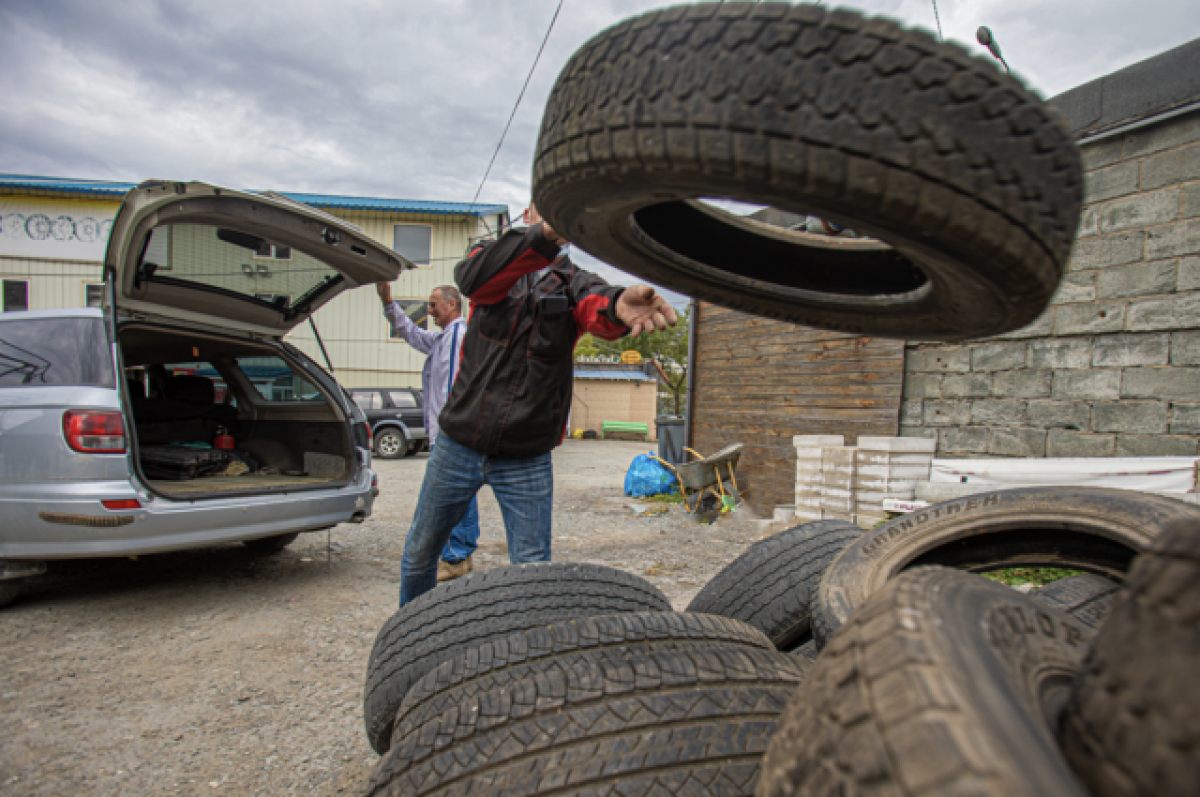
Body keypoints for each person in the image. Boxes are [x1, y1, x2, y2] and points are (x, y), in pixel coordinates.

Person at [397, 205, 677, 605]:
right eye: (544, 211)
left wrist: (618, 306)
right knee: (418, 554)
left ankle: (530, 655)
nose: (553, 219)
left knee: (533, 574)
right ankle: (408, 644)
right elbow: (473, 281)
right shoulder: (492, 263)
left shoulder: (574, 283)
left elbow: (598, 306)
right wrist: (541, 236)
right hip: (458, 444)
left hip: (526, 458)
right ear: (529, 213)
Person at [376, 282, 479, 581]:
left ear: (451, 304)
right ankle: (460, 554)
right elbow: (411, 333)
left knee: (452, 494)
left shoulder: (459, 337)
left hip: (452, 433)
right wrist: (388, 302)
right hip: (446, 434)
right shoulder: (444, 338)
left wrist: (450, 431)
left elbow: (453, 389)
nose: (429, 310)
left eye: (433, 305)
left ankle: (457, 555)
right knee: (461, 493)